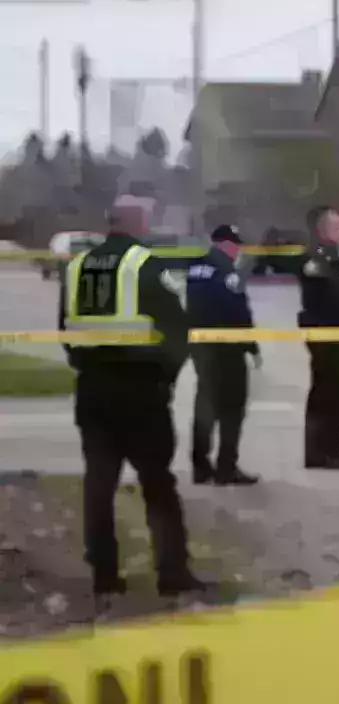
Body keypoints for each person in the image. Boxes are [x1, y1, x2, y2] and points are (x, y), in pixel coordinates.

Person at [58, 196, 205, 599]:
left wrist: (87, 365)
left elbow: (66, 331)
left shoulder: (77, 266)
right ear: (137, 222)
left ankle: (105, 575)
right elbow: (177, 330)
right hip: (141, 392)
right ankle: (172, 573)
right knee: (157, 482)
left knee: (99, 484)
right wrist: (167, 379)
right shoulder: (147, 265)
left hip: (93, 390)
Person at [186, 224, 261, 486]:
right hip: (227, 348)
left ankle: (200, 466)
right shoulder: (227, 270)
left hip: (200, 346)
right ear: (225, 244)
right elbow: (237, 310)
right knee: (232, 408)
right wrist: (251, 344)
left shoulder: (195, 268)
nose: (237, 249)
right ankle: (226, 468)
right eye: (235, 244)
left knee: (205, 405)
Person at [298, 205, 339, 469]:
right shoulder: (314, 258)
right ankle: (316, 453)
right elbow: (338, 291)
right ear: (321, 230)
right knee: (324, 394)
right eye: (337, 227)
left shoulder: (336, 257)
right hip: (322, 332)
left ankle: (334, 447)